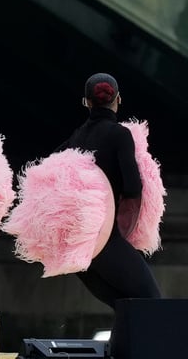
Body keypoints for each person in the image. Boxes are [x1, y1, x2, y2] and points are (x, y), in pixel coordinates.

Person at [57, 73, 161, 307]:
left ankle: (125, 345)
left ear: (87, 102)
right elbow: (133, 186)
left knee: (125, 305)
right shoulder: (120, 135)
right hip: (107, 240)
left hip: (81, 249)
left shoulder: (77, 137)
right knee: (152, 303)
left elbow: (49, 170)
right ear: (118, 99)